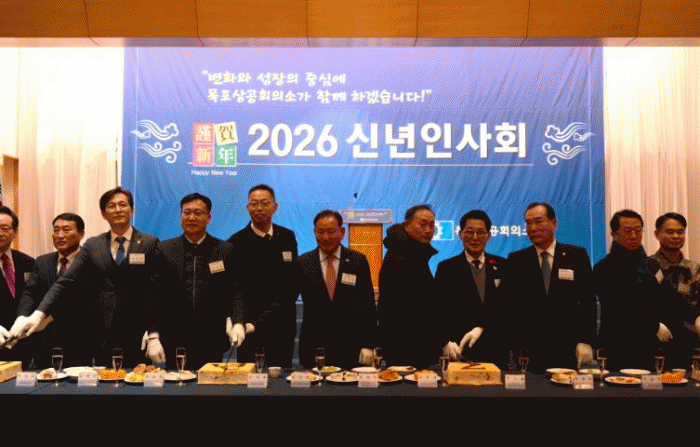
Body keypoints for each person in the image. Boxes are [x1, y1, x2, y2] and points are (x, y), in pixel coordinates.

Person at [10, 187, 160, 367]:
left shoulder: (149, 243)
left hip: (137, 331)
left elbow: (155, 291)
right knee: (104, 380)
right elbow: (65, 281)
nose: (117, 209)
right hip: (101, 333)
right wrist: (37, 315)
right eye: (111, 206)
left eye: (122, 205)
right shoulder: (94, 245)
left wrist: (154, 333)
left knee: (138, 379)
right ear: (103, 214)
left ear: (132, 210)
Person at [153, 193, 246, 370]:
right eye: (187, 212)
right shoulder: (164, 250)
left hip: (212, 338)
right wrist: (153, 334)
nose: (191, 218)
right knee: (176, 384)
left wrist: (238, 323)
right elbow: (154, 295)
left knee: (211, 384)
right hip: (174, 338)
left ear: (208, 218)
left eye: (198, 213)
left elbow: (236, 291)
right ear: (180, 216)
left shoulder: (225, 250)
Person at [501, 202, 596, 372]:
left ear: (554, 223)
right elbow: (505, 305)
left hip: (567, 348)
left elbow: (588, 302)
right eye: (528, 223)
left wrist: (586, 340)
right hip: (527, 352)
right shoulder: (517, 260)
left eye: (538, 221)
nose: (533, 228)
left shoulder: (576, 256)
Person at [227, 184, 298, 368]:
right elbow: (235, 288)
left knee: (281, 380)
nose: (259, 208)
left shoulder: (287, 237)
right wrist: (241, 323)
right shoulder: (235, 242)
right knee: (250, 380)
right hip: (249, 330)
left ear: (275, 207)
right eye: (254, 203)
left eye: (265, 203)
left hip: (282, 327)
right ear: (248, 208)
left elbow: (291, 284)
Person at [296, 210, 376, 369]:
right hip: (314, 347)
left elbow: (368, 306)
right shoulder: (303, 262)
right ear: (314, 233)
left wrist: (369, 344)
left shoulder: (358, 261)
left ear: (342, 232)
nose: (325, 237)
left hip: (350, 347)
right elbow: (285, 299)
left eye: (331, 232)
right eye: (320, 232)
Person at [594, 209, 673, 370]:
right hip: (618, 345)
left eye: (638, 231)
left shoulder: (652, 265)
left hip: (651, 345)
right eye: (627, 231)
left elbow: (665, 298)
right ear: (614, 235)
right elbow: (618, 306)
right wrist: (653, 326)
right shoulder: (604, 268)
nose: (634, 236)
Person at [436, 210, 508, 368]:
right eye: (469, 232)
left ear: (489, 236)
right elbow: (438, 310)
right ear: (460, 234)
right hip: (460, 352)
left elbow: (507, 307)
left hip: (496, 352)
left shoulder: (503, 266)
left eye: (481, 232)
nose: (475, 237)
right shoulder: (446, 268)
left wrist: (483, 326)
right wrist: (445, 342)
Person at [13, 213, 85, 368]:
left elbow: (83, 299)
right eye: (56, 230)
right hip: (44, 344)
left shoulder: (90, 261)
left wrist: (48, 318)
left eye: (66, 230)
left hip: (79, 341)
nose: (60, 235)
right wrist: (22, 317)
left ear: (81, 234)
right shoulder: (42, 261)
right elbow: (30, 293)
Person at [378, 204, 440, 368]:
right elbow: (412, 307)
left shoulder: (414, 251)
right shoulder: (400, 257)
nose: (428, 230)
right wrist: (442, 339)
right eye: (422, 224)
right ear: (407, 225)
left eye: (431, 225)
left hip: (415, 342)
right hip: (405, 346)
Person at [649, 212, 700, 369]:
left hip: (688, 342)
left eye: (680, 232)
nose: (676, 236)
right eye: (670, 232)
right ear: (657, 234)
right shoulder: (646, 266)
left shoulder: (694, 269)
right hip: (654, 341)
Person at [0, 207, 35, 367]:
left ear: (15, 232)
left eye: (5, 228)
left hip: (24, 344)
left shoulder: (28, 262)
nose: (0, 233)